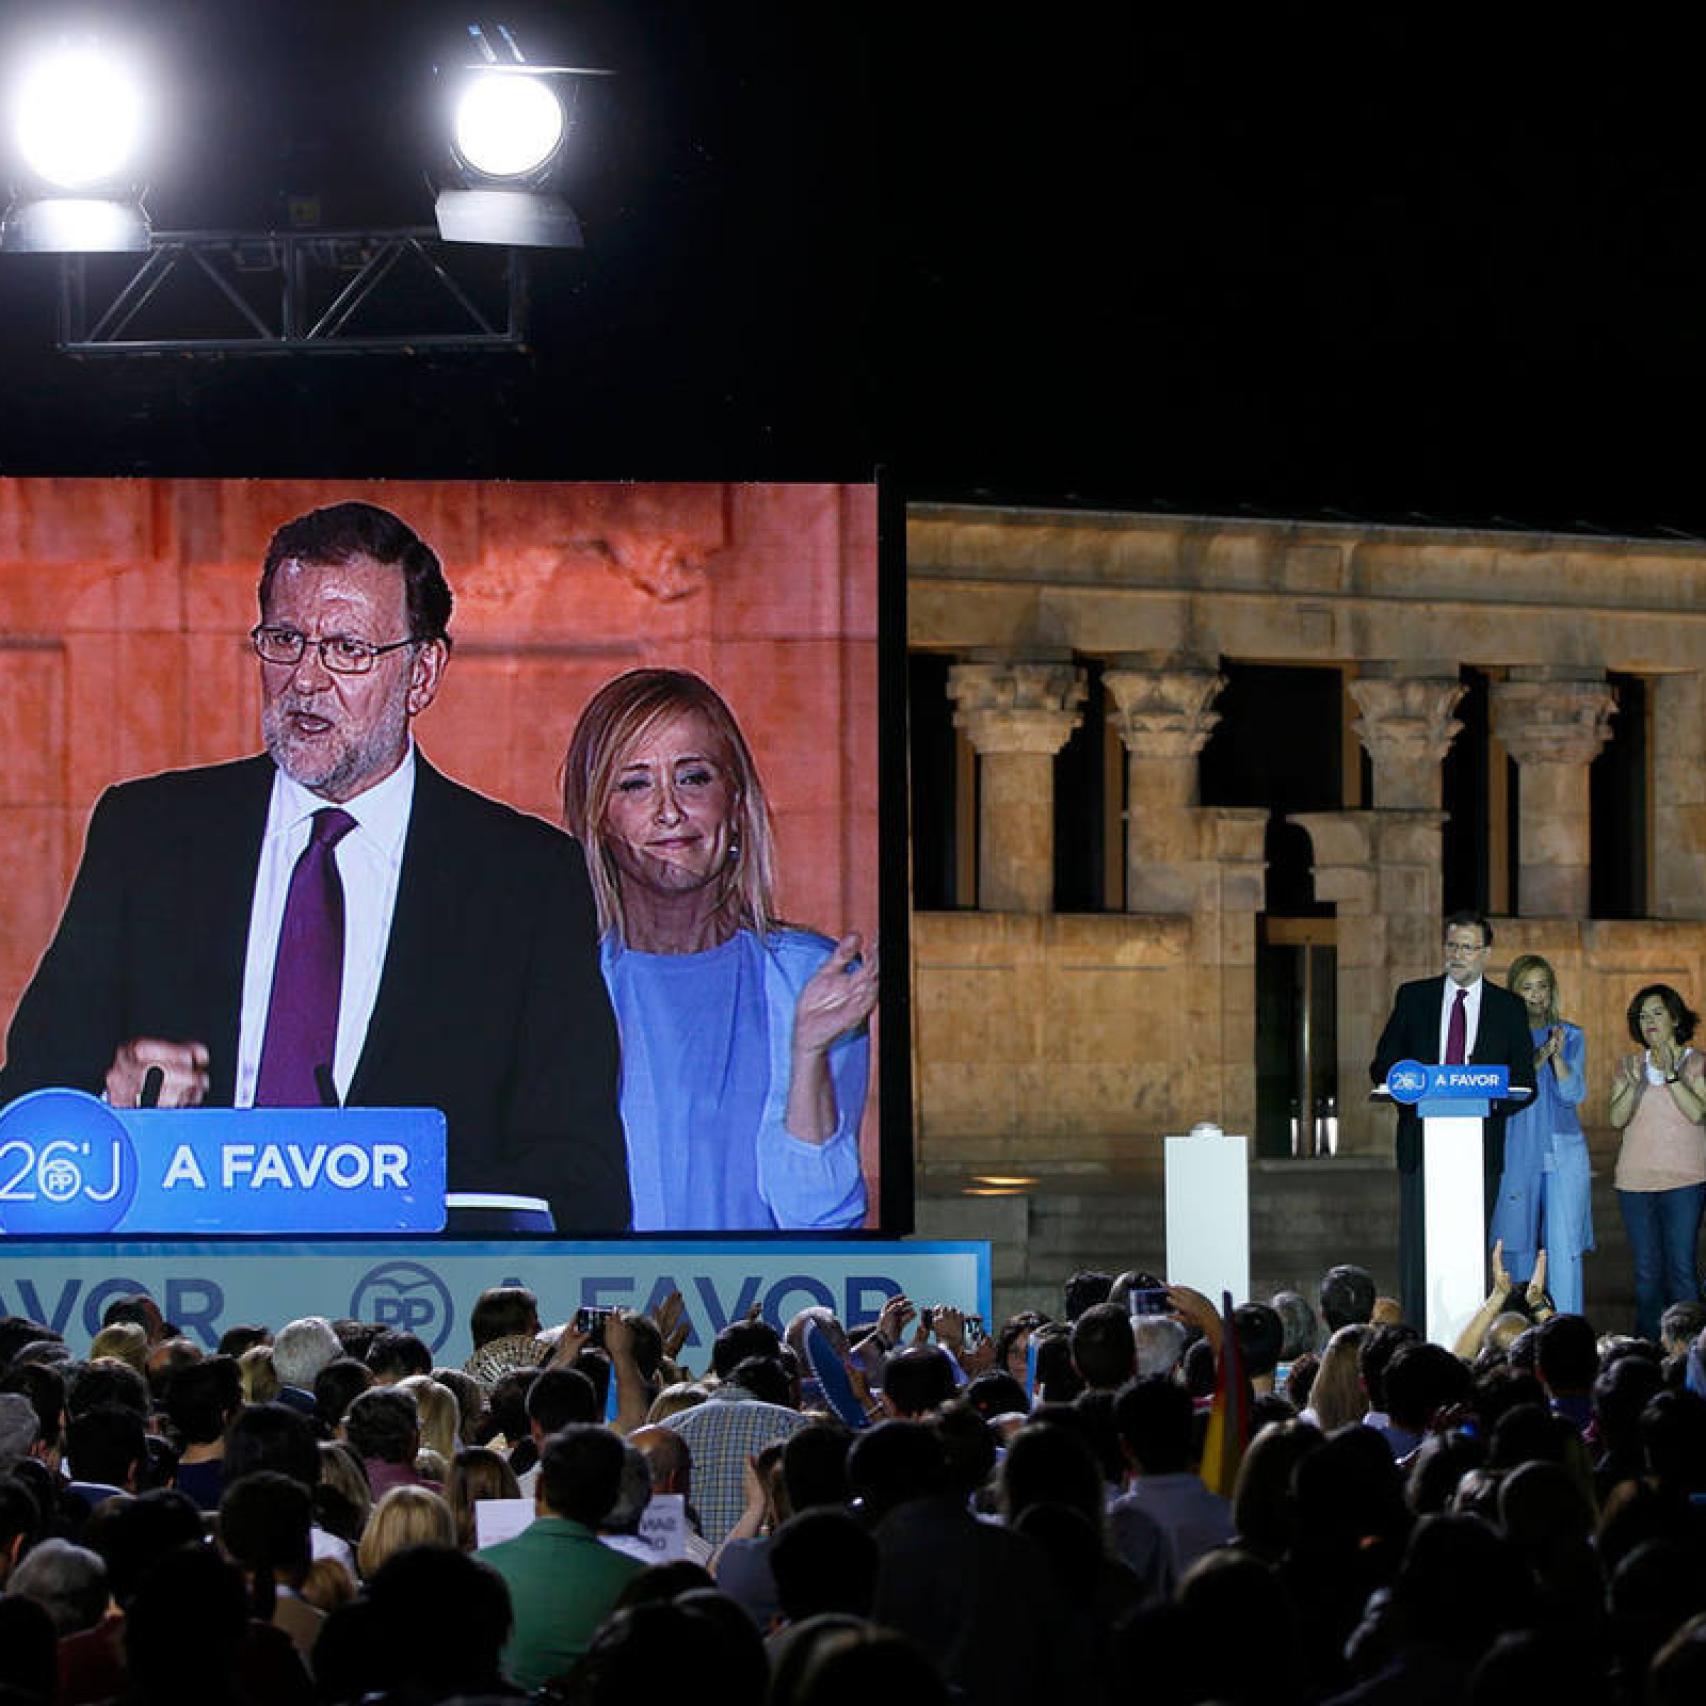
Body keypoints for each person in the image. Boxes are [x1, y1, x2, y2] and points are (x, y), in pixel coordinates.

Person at [0, 501, 629, 1232]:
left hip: (413, 1295)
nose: (305, 679)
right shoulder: (148, 836)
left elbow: (579, 1178)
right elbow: (27, 1105)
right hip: (177, 1285)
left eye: (347, 649)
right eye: (284, 639)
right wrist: (105, 1115)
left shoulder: (527, 880)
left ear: (423, 673)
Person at [563, 667, 875, 1230]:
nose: (668, 811)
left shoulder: (809, 976)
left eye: (693, 778)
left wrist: (808, 1053)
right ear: (599, 817)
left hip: (764, 1287)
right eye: (635, 784)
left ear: (734, 801)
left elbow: (822, 1221)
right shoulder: (559, 980)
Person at [1370, 910, 1537, 1327]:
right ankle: (1415, 1337)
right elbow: (1383, 1065)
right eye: (1452, 946)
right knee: (1419, 1248)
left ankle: (1468, 1338)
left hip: (1479, 1147)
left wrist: (1482, 1103)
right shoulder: (1414, 997)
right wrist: (1415, 1091)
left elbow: (1524, 1082)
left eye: (1467, 947)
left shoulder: (1508, 1008)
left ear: (1486, 953)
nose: (1457, 955)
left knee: (1469, 1248)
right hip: (1422, 1144)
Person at [1489, 953, 1593, 1315]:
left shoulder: (1571, 1034)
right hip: (1517, 1147)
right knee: (1515, 1242)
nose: (1536, 995)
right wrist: (1539, 1054)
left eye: (1542, 986)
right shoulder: (1504, 1038)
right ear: (1514, 992)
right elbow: (1508, 1088)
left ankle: (1567, 1325)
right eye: (1527, 987)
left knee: (1564, 1247)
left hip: (1563, 1149)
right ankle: (1516, 1328)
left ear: (1552, 991)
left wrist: (1557, 1056)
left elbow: (1573, 1094)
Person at [1610, 983, 1706, 1340]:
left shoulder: (1697, 1063)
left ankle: (1690, 1349)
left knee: (1681, 1269)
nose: (1649, 1021)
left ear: (1675, 1018)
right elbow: (1616, 1119)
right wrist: (1635, 1085)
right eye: (1642, 1016)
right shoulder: (1629, 1065)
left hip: (1685, 1180)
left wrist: (1670, 1075)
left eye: (1657, 1013)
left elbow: (1698, 1113)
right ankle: (1650, 1347)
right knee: (1646, 1273)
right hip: (1634, 1182)